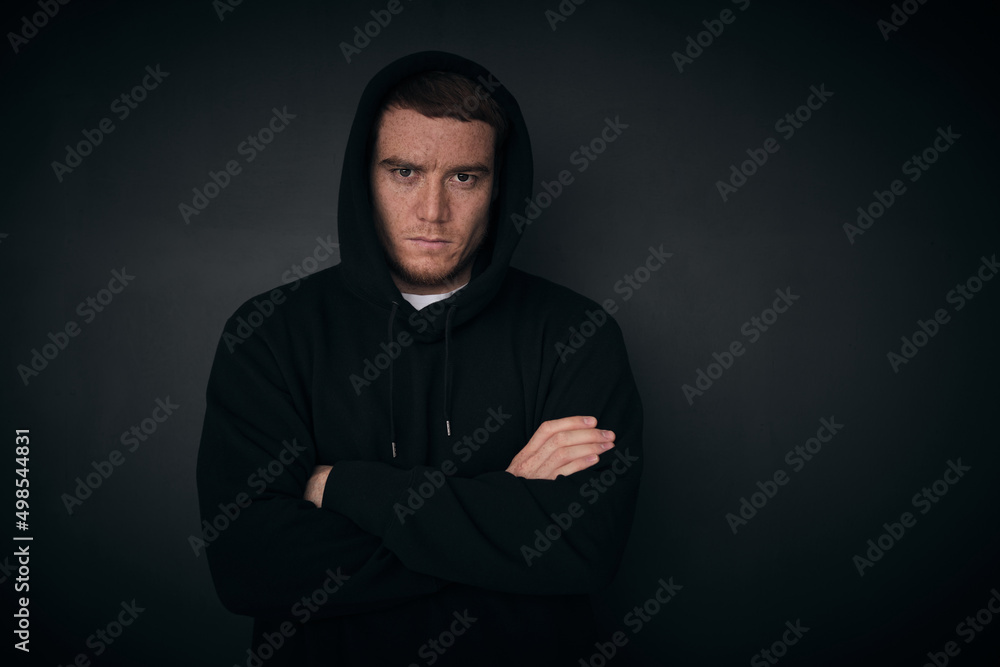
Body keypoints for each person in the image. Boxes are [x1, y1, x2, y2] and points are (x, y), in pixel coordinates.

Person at [196, 50, 644, 666]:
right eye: (404, 172)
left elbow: (584, 545)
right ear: (365, 178)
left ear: (499, 185)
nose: (432, 211)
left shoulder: (576, 333)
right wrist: (504, 515)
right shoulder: (269, 332)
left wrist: (344, 486)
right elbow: (250, 566)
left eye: (464, 177)